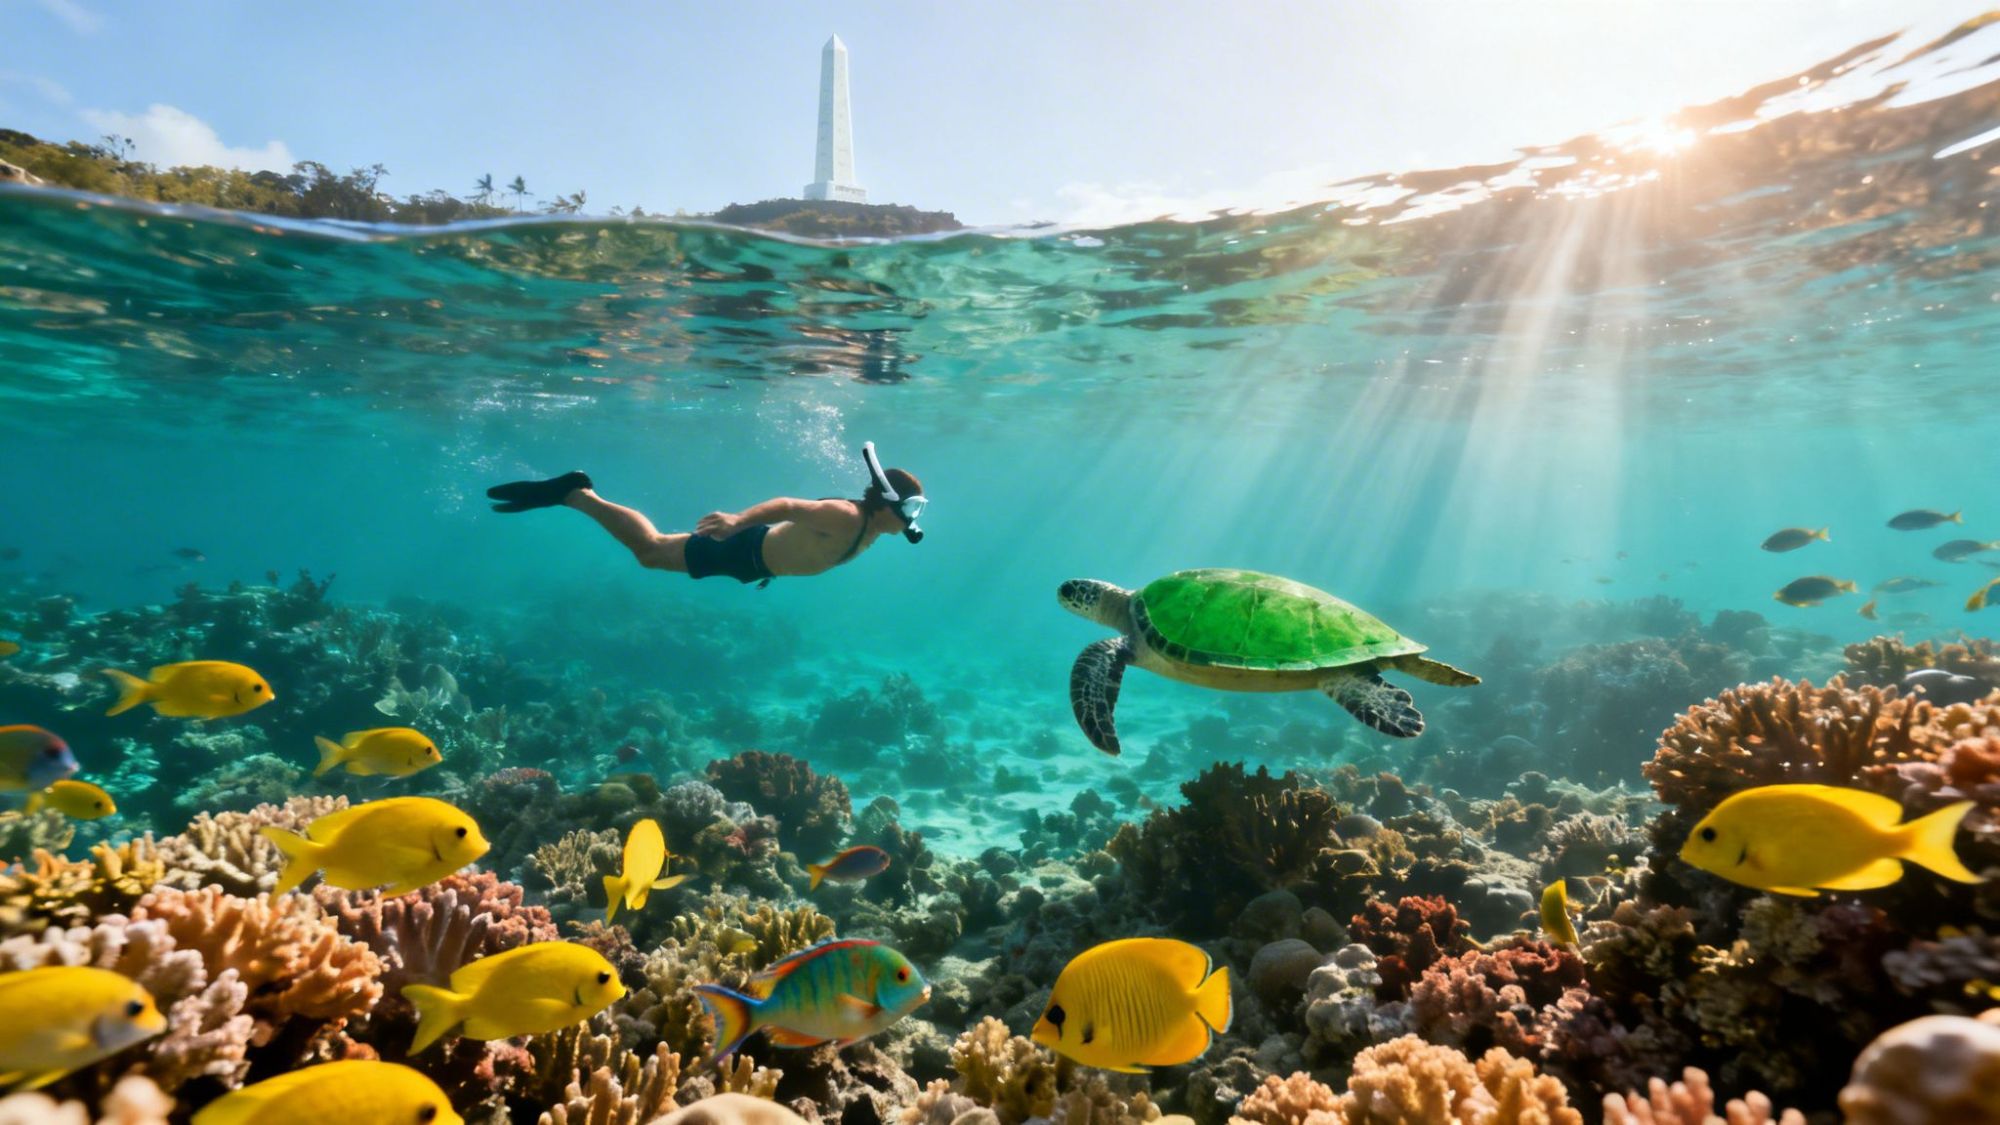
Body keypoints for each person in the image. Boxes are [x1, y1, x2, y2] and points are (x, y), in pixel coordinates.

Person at [485, 443, 925, 586]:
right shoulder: (846, 516)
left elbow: (800, 541)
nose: (910, 519)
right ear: (887, 502)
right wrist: (736, 521)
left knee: (652, 552)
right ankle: (577, 495)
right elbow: (789, 506)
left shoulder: (870, 528)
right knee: (650, 550)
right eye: (908, 508)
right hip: (744, 547)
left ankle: (576, 495)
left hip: (753, 562)